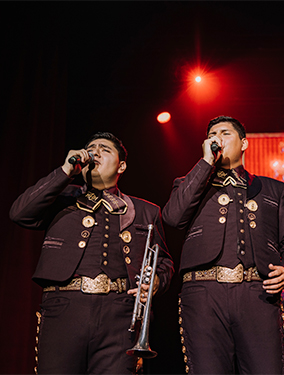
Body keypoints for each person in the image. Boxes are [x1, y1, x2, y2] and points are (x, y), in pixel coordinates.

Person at [10, 132, 174, 374]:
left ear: (122, 165)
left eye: (105, 149)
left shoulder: (145, 210)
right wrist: (65, 172)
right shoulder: (60, 198)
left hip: (120, 315)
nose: (95, 152)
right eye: (91, 147)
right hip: (65, 309)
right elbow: (19, 213)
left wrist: (157, 281)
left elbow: (164, 261)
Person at [162, 115, 284, 374]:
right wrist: (206, 164)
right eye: (212, 134)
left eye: (225, 133)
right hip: (204, 292)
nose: (217, 138)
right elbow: (172, 217)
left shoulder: (273, 189)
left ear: (244, 144)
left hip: (257, 292)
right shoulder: (189, 184)